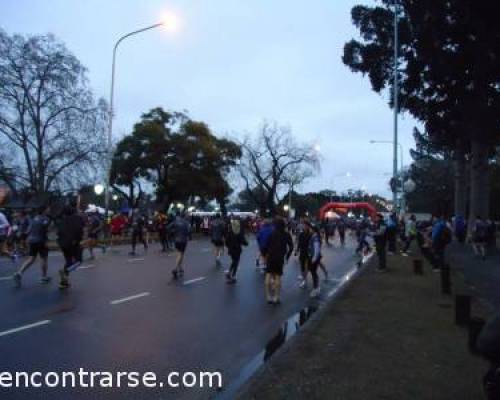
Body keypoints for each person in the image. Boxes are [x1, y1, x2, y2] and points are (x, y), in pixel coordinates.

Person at [13, 207, 51, 287]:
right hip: (41, 241)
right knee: (44, 258)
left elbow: (29, 230)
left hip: (32, 240)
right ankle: (44, 277)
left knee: (31, 258)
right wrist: (46, 241)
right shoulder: (46, 219)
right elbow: (45, 231)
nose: (49, 210)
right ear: (44, 210)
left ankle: (19, 273)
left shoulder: (34, 218)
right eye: (48, 209)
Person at [263, 217, 293, 305]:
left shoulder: (271, 234)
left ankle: (268, 297)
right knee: (278, 277)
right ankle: (276, 297)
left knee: (268, 275)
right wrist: (287, 256)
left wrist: (265, 255)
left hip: (271, 257)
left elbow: (265, 247)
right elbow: (291, 246)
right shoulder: (286, 234)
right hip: (280, 257)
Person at [57, 205, 84, 289]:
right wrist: (78, 240)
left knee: (68, 261)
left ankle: (63, 282)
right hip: (73, 243)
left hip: (62, 243)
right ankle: (65, 272)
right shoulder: (77, 218)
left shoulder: (61, 220)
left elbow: (58, 232)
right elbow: (79, 230)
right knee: (78, 261)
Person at [224, 217, 248, 283]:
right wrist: (246, 243)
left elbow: (226, 241)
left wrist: (228, 246)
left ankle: (229, 272)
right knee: (236, 262)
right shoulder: (239, 233)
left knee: (234, 261)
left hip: (231, 250)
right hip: (237, 250)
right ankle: (233, 276)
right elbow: (244, 242)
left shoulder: (230, 232)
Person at [167, 213, 190, 279]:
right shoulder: (186, 223)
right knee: (180, 254)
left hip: (176, 240)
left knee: (179, 254)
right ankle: (175, 268)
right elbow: (189, 231)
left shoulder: (175, 222)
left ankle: (180, 268)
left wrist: (174, 232)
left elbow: (168, 227)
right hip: (183, 240)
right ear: (184, 216)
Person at [308, 224, 323, 298]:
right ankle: (316, 287)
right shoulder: (315, 236)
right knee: (313, 272)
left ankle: (316, 288)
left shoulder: (315, 237)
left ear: (313, 230)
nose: (309, 230)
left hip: (314, 257)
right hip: (315, 256)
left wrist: (314, 258)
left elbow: (316, 249)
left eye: (310, 229)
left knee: (313, 272)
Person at [296, 220, 312, 289]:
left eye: (306, 225)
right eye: (303, 225)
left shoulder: (311, 234)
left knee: (307, 266)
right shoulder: (301, 234)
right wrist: (297, 250)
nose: (304, 227)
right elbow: (299, 243)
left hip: (309, 252)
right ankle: (304, 278)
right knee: (302, 266)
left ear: (308, 226)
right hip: (302, 251)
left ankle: (304, 280)